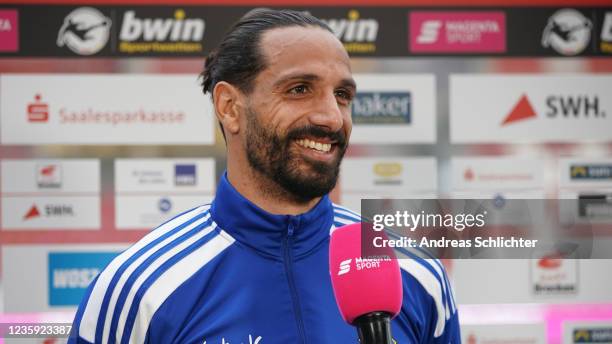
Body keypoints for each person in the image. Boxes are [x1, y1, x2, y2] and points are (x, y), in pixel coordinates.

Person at [68, 8, 460, 344]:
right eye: (300, 89)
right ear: (230, 107)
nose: (331, 116)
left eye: (342, 95)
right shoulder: (138, 287)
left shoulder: (414, 272)